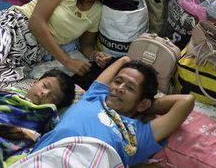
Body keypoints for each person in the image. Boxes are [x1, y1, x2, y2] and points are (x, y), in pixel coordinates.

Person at [28, 57, 194, 167]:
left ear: (143, 103)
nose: (119, 88)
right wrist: (136, 100)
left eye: (130, 88)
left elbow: (186, 101)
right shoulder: (94, 97)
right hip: (48, 158)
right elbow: (125, 60)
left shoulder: (139, 134)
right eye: (118, 82)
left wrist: (143, 105)